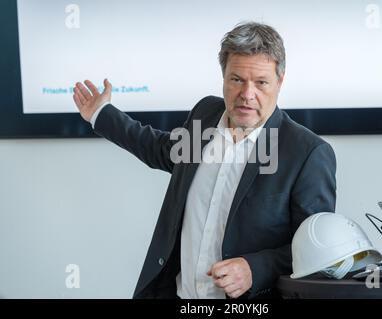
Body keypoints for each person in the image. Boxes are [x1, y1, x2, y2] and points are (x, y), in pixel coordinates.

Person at [73, 22, 336, 299]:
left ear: (279, 82)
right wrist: (101, 114)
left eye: (260, 82)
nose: (247, 94)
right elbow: (162, 149)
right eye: (236, 80)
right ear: (223, 77)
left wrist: (256, 269)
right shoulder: (205, 114)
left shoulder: (308, 153)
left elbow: (318, 250)